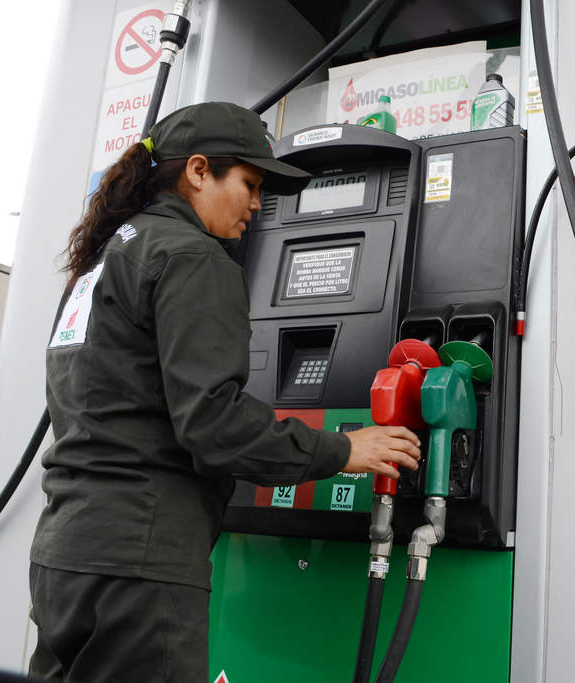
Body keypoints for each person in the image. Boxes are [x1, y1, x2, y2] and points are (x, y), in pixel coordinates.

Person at [28, 102, 421, 682]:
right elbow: (214, 424)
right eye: (250, 184)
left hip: (65, 555)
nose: (257, 204)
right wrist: (344, 449)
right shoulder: (192, 256)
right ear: (197, 171)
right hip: (140, 563)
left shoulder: (105, 259)